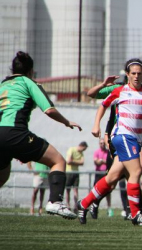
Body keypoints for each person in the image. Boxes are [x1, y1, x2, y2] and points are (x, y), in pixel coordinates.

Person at [77, 59, 142, 225]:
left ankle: (83, 204)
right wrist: (96, 125)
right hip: (122, 136)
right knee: (136, 171)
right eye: (133, 73)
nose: (137, 76)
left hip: (136, 140)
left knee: (112, 177)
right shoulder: (120, 91)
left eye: (139, 73)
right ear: (127, 75)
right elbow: (103, 105)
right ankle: (135, 213)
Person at [0, 51, 81, 219]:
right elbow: (49, 110)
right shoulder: (29, 82)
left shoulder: (2, 85)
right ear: (31, 71)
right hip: (15, 132)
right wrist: (66, 122)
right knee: (58, 160)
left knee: (3, 174)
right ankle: (55, 202)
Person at [65, 141, 87, 212]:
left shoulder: (81, 153)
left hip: (76, 173)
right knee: (68, 190)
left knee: (75, 190)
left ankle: (75, 206)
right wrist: (77, 161)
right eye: (84, 149)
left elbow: (82, 162)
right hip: (69, 172)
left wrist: (73, 161)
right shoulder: (71, 149)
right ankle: (68, 206)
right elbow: (68, 161)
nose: (84, 151)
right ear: (82, 146)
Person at [93, 138, 113, 217]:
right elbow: (96, 162)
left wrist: (101, 161)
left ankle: (109, 208)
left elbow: (108, 162)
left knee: (108, 191)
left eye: (103, 143)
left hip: (106, 173)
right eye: (101, 143)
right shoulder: (96, 152)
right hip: (98, 174)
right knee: (96, 191)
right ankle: (95, 207)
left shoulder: (108, 152)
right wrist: (102, 161)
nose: (102, 144)